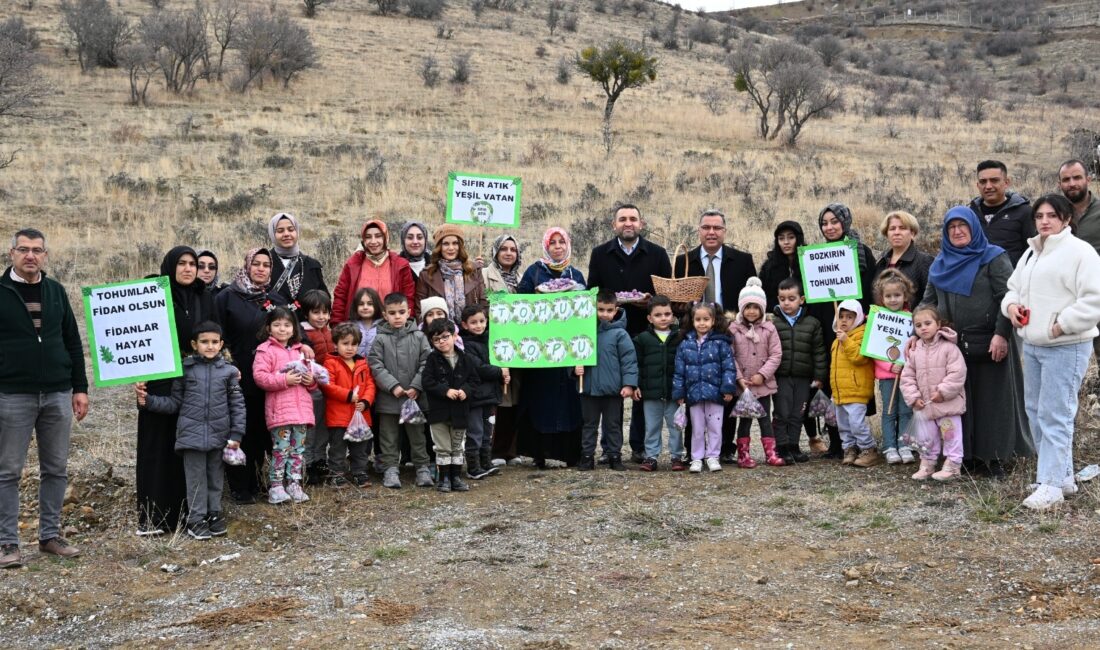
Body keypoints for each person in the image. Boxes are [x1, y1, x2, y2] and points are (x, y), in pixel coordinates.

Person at [1003, 194, 1100, 509]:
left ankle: (1051, 485)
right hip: (1033, 345)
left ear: (1066, 218)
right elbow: (1013, 289)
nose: (1045, 221)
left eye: (1052, 215)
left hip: (1066, 346)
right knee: (1035, 410)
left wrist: (1062, 324)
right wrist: (1012, 307)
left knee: (1055, 413)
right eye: (1039, 216)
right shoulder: (1031, 252)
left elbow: (1094, 299)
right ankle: (1062, 476)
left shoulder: (1080, 252)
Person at [0, 228, 88, 568]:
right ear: (11, 253)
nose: (30, 256)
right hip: (12, 395)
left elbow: (72, 341)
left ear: (45, 255)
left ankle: (49, 536)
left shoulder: (55, 291)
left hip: (57, 393)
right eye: (23, 249)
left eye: (37, 250)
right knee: (8, 471)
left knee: (56, 469)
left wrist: (79, 388)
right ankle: (7, 543)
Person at [923, 206, 1032, 479]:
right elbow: (928, 302)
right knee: (961, 401)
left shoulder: (993, 257)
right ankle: (967, 456)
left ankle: (995, 457)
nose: (958, 231)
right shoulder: (940, 263)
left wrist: (1001, 334)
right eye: (952, 227)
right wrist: (918, 332)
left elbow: (1008, 297)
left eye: (963, 225)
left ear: (974, 227)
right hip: (953, 347)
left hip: (990, 341)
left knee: (993, 400)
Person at [137, 321, 245, 540]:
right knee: (195, 480)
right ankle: (196, 520)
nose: (210, 346)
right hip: (191, 438)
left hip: (219, 436)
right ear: (194, 344)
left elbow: (237, 405)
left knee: (215, 479)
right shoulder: (184, 370)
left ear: (221, 344)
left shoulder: (229, 372)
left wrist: (236, 434)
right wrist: (148, 401)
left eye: (214, 342)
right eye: (204, 342)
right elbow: (174, 403)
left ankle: (214, 515)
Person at [135, 246, 215, 534]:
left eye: (193, 263)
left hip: (194, 378)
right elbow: (134, 334)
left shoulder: (204, 296)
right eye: (181, 263)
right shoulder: (153, 292)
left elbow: (215, 334)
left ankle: (191, 514)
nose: (188, 268)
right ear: (170, 266)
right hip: (160, 377)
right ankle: (155, 516)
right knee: (158, 444)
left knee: (188, 447)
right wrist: (137, 376)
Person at [587, 204, 672, 463]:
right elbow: (592, 292)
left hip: (646, 332)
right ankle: (609, 448)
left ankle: (639, 446)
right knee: (609, 392)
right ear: (614, 224)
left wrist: (649, 302)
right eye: (622, 219)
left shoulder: (657, 254)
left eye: (633, 219)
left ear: (641, 224)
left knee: (640, 390)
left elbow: (666, 294)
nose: (628, 223)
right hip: (608, 333)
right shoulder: (600, 254)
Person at [809, 203, 876, 459]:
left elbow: (869, 289)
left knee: (853, 382)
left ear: (845, 223)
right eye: (824, 223)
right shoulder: (816, 255)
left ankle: (862, 443)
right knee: (831, 382)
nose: (829, 227)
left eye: (834, 222)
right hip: (828, 327)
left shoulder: (861, 252)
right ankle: (838, 443)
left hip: (855, 327)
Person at [215, 248, 281, 504]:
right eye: (256, 263)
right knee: (241, 429)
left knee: (263, 431)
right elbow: (217, 334)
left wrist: (306, 345)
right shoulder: (227, 297)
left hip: (268, 378)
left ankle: (261, 479)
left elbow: (290, 328)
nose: (261, 269)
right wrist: (229, 365)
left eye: (266, 265)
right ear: (247, 265)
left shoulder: (275, 298)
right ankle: (240, 486)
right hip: (239, 375)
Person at [516, 227, 586, 468]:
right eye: (552, 243)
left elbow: (584, 310)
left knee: (567, 401)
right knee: (540, 400)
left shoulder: (576, 275)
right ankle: (540, 453)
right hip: (540, 348)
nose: (557, 247)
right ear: (546, 247)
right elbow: (521, 305)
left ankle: (568, 454)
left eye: (561, 242)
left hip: (567, 347)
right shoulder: (534, 272)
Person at [368, 292, 434, 489]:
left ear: (409, 312)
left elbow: (427, 362)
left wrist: (416, 386)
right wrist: (392, 386)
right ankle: (390, 469)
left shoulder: (419, 337)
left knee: (417, 435)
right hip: (388, 399)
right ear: (384, 315)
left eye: (401, 312)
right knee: (388, 436)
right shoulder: (380, 339)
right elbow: (375, 365)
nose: (397, 316)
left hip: (414, 398)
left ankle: (422, 468)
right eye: (392, 313)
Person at [253, 306, 317, 505]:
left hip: (301, 411)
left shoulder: (300, 351)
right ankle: (276, 486)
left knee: (298, 450)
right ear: (268, 328)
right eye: (277, 324)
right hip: (280, 412)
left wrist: (310, 381)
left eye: (287, 325)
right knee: (281, 450)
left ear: (294, 328)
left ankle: (294, 484)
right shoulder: (265, 350)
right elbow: (260, 377)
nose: (282, 329)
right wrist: (284, 380)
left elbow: (313, 379)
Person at [901, 306, 967, 482]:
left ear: (938, 324)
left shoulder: (949, 348)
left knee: (951, 436)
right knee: (926, 437)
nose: (923, 328)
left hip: (947, 406)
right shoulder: (914, 351)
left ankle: (953, 466)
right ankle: (927, 464)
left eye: (927, 323)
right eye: (918, 325)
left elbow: (957, 373)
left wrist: (943, 392)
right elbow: (907, 377)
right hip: (924, 407)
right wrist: (914, 398)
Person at [575, 290, 639, 472]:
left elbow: (629, 360)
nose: (604, 314)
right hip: (588, 388)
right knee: (589, 425)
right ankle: (587, 457)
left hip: (613, 390)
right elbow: (573, 354)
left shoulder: (620, 334)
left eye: (609, 310)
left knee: (613, 425)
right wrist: (573, 369)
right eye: (600, 309)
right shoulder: (584, 332)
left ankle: (614, 456)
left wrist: (629, 384)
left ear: (615, 310)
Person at [672, 302, 736, 473]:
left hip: (715, 394)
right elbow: (679, 371)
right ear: (692, 321)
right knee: (697, 428)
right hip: (694, 394)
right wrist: (679, 392)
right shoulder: (685, 344)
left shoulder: (721, 343)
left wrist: (728, 388)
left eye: (706, 319)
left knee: (715, 427)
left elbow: (729, 367)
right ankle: (697, 458)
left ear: (713, 321)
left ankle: (713, 456)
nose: (702, 323)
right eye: (698, 319)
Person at [729, 278, 784, 467]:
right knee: (744, 421)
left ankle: (771, 453)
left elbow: (776, 354)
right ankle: (743, 455)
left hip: (763, 385)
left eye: (756, 307)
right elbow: (730, 356)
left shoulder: (769, 328)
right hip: (743, 385)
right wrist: (739, 378)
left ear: (762, 308)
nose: (751, 311)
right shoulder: (734, 329)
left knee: (765, 419)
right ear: (741, 308)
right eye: (747, 307)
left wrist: (762, 374)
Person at [771, 278, 826, 464]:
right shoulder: (773, 323)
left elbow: (818, 351)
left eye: (791, 298)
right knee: (782, 413)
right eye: (782, 299)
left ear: (801, 300)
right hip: (781, 376)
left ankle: (794, 446)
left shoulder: (812, 323)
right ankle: (782, 446)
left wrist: (819, 376)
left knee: (798, 412)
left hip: (803, 377)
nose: (786, 303)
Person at [422, 319, 480, 493]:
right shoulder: (432, 359)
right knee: (442, 447)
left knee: (457, 446)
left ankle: (456, 477)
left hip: (460, 411)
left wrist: (465, 391)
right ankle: (444, 478)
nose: (442, 342)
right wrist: (445, 390)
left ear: (454, 336)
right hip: (439, 412)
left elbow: (474, 380)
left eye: (445, 337)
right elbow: (427, 382)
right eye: (436, 339)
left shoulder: (466, 358)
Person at [482, 235, 523, 465]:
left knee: (515, 397)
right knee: (499, 398)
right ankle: (494, 450)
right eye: (504, 249)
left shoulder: (521, 278)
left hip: (519, 346)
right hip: (495, 343)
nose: (508, 253)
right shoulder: (484, 275)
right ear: (495, 252)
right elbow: (480, 305)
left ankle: (511, 450)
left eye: (513, 249)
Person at [320, 322, 377, 489]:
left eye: (354, 344)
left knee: (360, 447)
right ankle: (337, 474)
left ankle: (359, 472)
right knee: (338, 448)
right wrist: (347, 395)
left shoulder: (363, 363)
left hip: (360, 415)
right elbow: (327, 385)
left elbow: (370, 385)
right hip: (338, 417)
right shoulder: (330, 363)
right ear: (336, 344)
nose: (350, 348)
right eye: (345, 343)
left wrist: (366, 402)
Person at [633, 296, 685, 472]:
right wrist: (635, 385)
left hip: (673, 393)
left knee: (676, 426)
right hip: (650, 393)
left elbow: (685, 364)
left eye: (667, 314)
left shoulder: (680, 337)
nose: (663, 318)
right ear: (650, 318)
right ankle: (651, 456)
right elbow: (637, 365)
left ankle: (676, 456)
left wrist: (683, 389)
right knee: (652, 426)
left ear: (673, 315)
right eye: (658, 315)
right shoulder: (642, 339)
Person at [333, 219, 417, 324]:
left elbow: (409, 297)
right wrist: (337, 324)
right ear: (363, 240)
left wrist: (407, 324)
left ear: (385, 238)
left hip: (391, 328)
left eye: (378, 236)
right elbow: (341, 296)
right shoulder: (353, 264)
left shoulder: (400, 265)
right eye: (368, 237)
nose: (373, 241)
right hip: (358, 329)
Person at [872, 269, 916, 465]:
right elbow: (875, 348)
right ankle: (889, 446)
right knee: (889, 411)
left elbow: (914, 346)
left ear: (905, 296)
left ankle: (904, 444)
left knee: (906, 410)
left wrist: (904, 364)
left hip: (906, 375)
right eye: (888, 296)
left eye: (897, 295)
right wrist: (891, 366)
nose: (892, 299)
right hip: (887, 376)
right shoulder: (877, 318)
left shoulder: (911, 318)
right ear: (882, 298)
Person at [1057, 159, 1100, 361]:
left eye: (1077, 177)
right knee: (1068, 359)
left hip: (1097, 292)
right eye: (1066, 179)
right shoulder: (1054, 215)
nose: (1072, 183)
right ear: (1060, 184)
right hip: (1066, 296)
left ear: (1088, 179)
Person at [675, 209, 758, 311]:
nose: (711, 232)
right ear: (699, 231)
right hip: (694, 320)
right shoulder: (683, 262)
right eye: (706, 227)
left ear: (724, 231)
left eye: (717, 228)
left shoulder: (743, 261)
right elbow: (675, 302)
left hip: (732, 320)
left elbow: (755, 298)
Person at [458, 304, 506, 479]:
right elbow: (479, 368)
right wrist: (500, 371)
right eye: (473, 322)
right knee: (475, 431)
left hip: (490, 396)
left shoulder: (492, 340)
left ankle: (486, 461)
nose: (478, 325)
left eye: (481, 321)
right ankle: (473, 466)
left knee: (488, 430)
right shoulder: (465, 345)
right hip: (475, 398)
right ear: (465, 325)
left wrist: (503, 375)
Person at [831, 300, 879, 468]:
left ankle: (869, 449)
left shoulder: (862, 335)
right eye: (841, 316)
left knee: (857, 423)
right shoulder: (836, 340)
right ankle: (850, 448)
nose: (844, 320)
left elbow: (859, 358)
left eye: (849, 317)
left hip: (856, 389)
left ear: (858, 318)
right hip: (840, 391)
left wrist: (846, 341)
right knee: (843, 425)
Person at [300, 289, 336, 486]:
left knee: (324, 427)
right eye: (316, 312)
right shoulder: (302, 335)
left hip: (328, 389)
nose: (321, 317)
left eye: (325, 312)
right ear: (306, 314)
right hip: (310, 390)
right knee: (310, 428)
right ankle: (307, 464)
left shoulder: (330, 333)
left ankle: (321, 460)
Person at [969, 160, 1035, 266]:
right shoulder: (969, 214)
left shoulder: (1025, 212)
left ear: (1006, 182)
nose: (988, 186)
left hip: (1013, 275)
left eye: (994, 180)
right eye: (983, 181)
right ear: (978, 185)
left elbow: (1033, 251)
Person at [416, 224, 487, 320]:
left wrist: (478, 324)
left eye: (455, 243)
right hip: (439, 328)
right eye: (446, 244)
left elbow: (484, 303)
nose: (451, 248)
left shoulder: (474, 270)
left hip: (471, 327)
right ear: (439, 247)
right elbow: (420, 310)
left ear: (460, 246)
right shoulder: (426, 274)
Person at [872, 211, 933, 305]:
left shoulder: (924, 261)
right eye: (892, 229)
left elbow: (930, 299)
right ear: (887, 234)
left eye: (902, 228)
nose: (896, 232)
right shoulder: (881, 262)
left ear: (912, 233)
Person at [267, 212, 328, 305]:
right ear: (272, 234)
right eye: (280, 231)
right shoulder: (264, 264)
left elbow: (324, 301)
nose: (286, 234)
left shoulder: (311, 265)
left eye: (291, 229)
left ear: (297, 232)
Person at [758, 221, 806, 313]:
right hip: (776, 316)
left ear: (799, 239)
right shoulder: (769, 267)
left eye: (791, 237)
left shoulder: (809, 262)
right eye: (781, 238)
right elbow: (764, 295)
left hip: (807, 316)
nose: (786, 242)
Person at [348, 286, 382, 359]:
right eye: (361, 304)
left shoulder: (383, 327)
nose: (365, 307)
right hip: (355, 364)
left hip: (376, 365)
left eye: (370, 304)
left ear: (376, 305)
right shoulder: (350, 327)